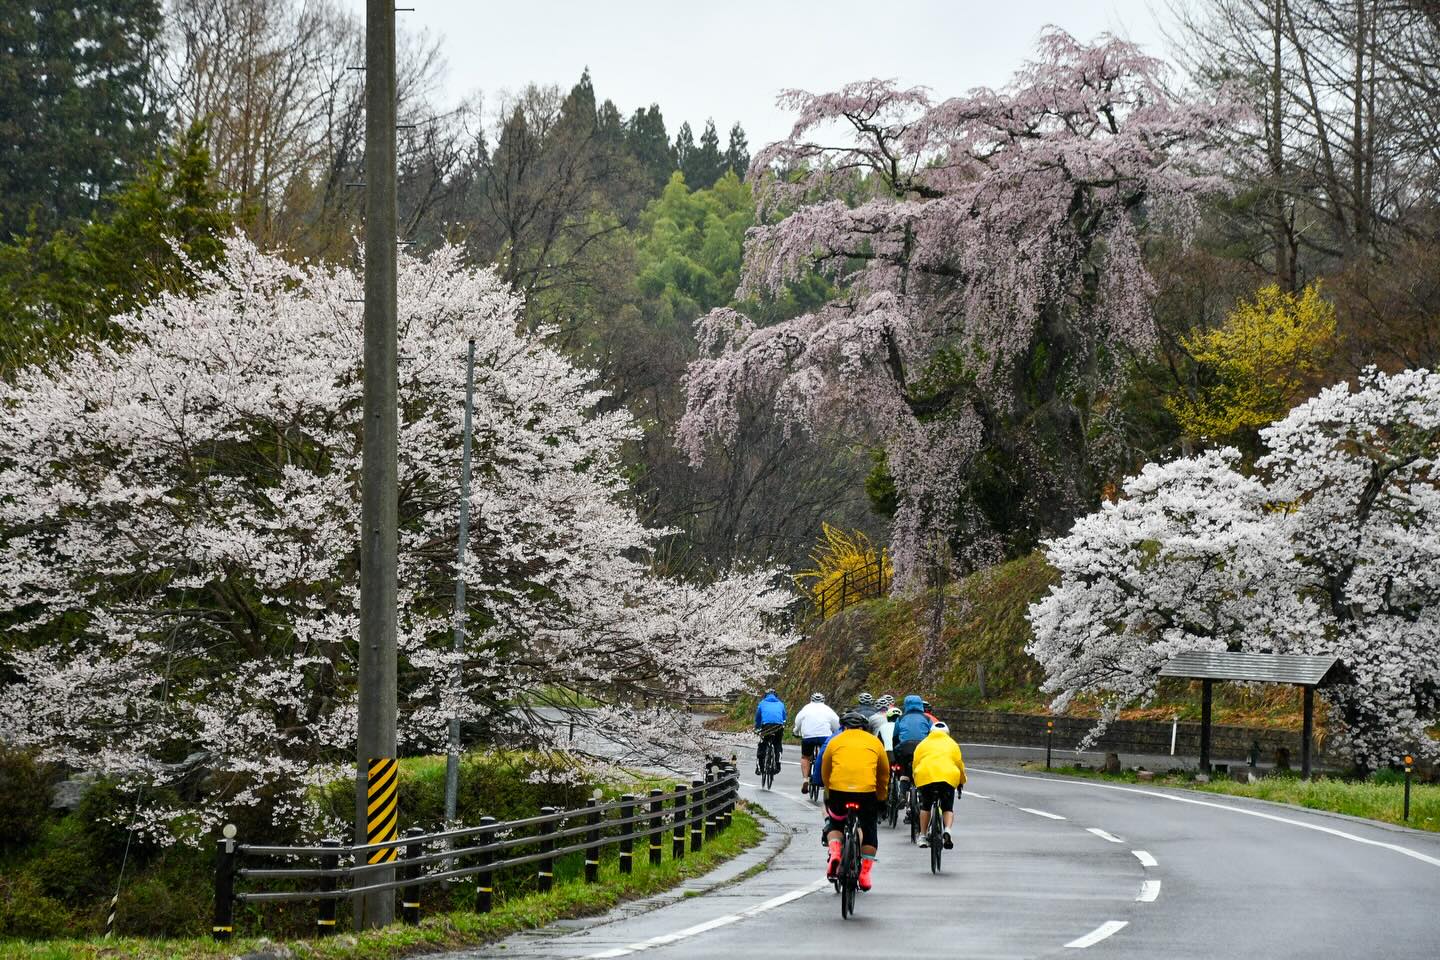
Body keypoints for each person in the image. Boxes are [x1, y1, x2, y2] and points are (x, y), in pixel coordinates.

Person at [820, 711, 889, 891]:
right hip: (866, 792)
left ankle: (835, 851)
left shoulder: (835, 741)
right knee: (868, 828)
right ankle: (865, 874)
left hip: (838, 791)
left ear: (843, 726)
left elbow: (825, 769)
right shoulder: (874, 742)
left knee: (835, 823)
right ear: (864, 727)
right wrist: (881, 797)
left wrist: (828, 791)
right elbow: (883, 773)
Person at [911, 720, 965, 849]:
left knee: (926, 806)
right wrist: (961, 781)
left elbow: (915, 763)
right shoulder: (953, 744)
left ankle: (923, 836)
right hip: (948, 777)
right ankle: (947, 830)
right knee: (947, 808)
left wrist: (915, 778)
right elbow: (959, 764)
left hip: (926, 776)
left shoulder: (922, 744)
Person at [792, 692, 840, 793]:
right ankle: (823, 778)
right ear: (823, 700)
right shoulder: (828, 710)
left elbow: (798, 722)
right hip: (825, 736)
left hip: (808, 736)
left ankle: (805, 779)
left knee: (805, 757)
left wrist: (796, 731)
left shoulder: (805, 709)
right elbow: (837, 725)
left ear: (811, 700)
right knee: (826, 756)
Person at [891, 694, 933, 784]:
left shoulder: (901, 718)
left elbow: (895, 737)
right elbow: (932, 735)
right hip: (922, 747)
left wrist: (895, 756)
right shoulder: (927, 718)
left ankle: (902, 785)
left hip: (905, 747)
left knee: (902, 765)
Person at [753, 688, 787, 774]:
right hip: (778, 726)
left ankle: (760, 767)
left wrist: (757, 727)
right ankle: (778, 763)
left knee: (762, 744)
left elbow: (758, 718)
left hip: (766, 726)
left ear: (765, 696)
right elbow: (784, 718)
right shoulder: (780, 704)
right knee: (778, 743)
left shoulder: (762, 703)